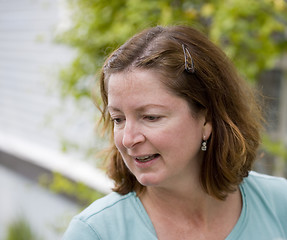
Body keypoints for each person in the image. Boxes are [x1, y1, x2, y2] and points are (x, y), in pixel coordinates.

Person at [63, 25, 287, 240]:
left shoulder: (279, 204)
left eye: (151, 117)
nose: (128, 139)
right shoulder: (95, 233)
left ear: (207, 120)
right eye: (118, 119)